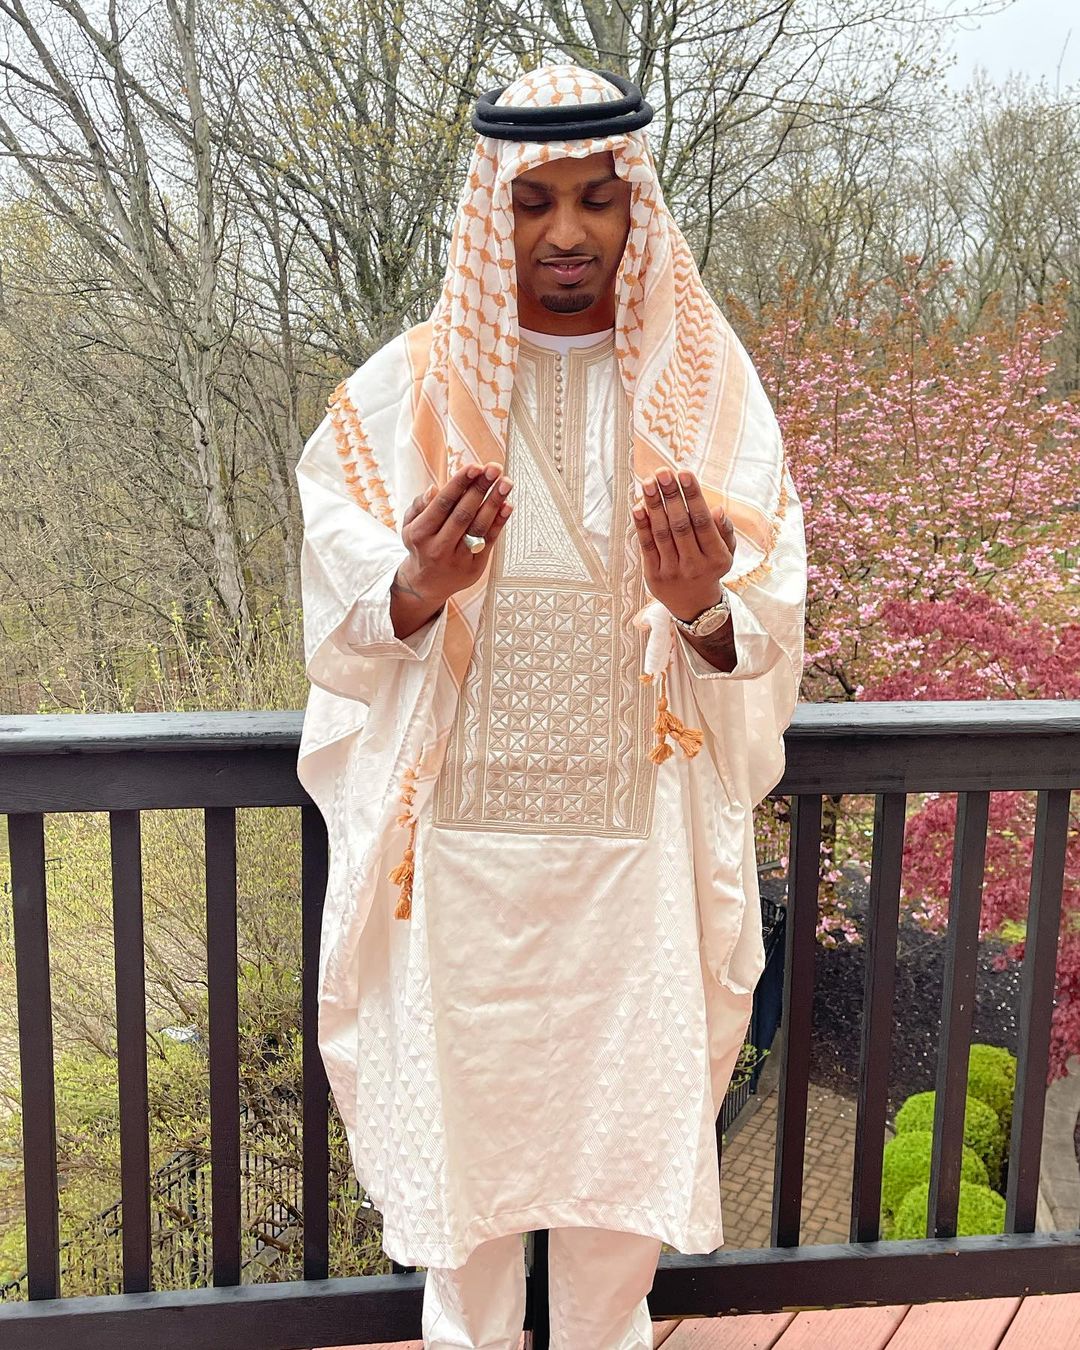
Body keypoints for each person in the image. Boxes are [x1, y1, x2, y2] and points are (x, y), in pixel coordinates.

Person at [296, 62, 806, 1350]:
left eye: (595, 199)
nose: (566, 233)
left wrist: (699, 606)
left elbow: (767, 612)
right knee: (461, 1202)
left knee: (617, 1204)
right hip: (456, 877)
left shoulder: (708, 391)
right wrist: (415, 586)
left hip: (636, 874)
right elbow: (340, 589)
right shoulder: (405, 393)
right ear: (492, 212)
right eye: (533, 202)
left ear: (636, 208)